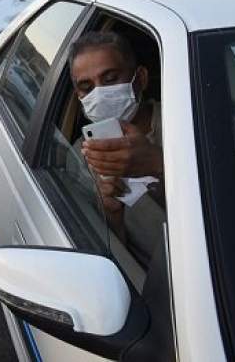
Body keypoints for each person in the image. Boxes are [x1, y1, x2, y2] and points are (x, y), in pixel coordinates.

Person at [67, 31, 165, 267]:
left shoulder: (188, 113)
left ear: (140, 78)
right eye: (86, 87)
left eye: (110, 79)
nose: (99, 94)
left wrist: (159, 163)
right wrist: (111, 212)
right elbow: (106, 261)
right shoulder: (82, 156)